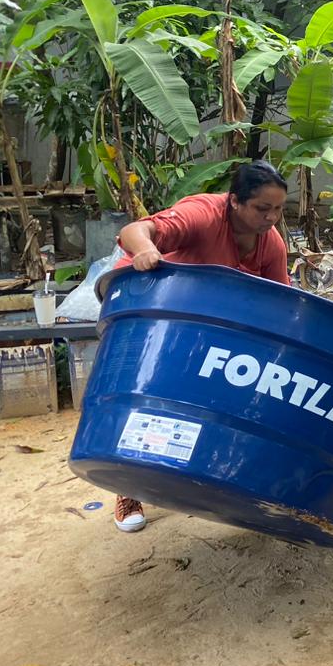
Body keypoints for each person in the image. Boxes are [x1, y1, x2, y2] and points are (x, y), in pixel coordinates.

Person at [109, 160, 291, 533]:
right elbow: (134, 230)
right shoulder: (203, 215)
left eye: (278, 209)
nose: (272, 218)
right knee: (150, 398)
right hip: (153, 309)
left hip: (210, 322)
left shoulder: (271, 243)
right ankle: (128, 488)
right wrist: (145, 250)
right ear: (235, 201)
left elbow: (281, 305)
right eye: (262, 208)